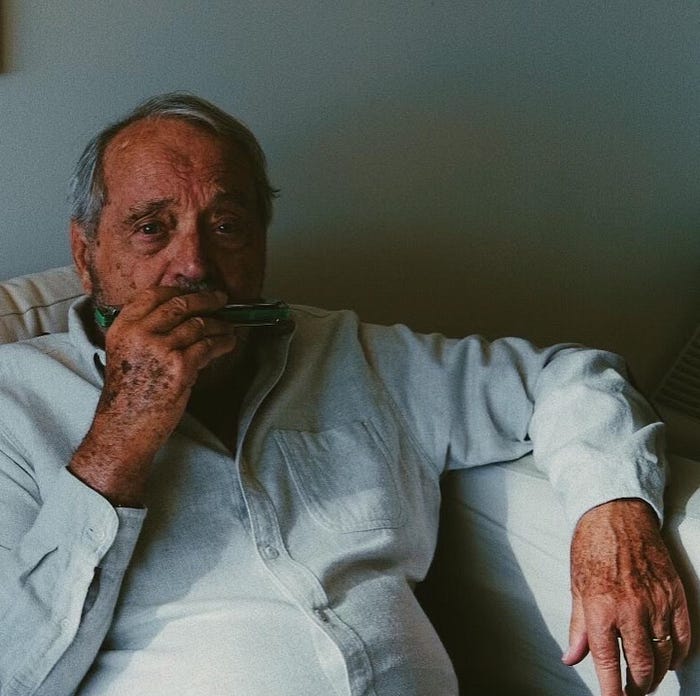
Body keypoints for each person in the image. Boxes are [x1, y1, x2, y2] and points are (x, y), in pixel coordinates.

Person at [0, 92, 690, 696]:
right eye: (152, 228)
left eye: (228, 226)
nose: (194, 265)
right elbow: (17, 673)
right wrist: (122, 433)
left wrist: (614, 515)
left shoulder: (354, 355)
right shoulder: (16, 403)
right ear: (86, 254)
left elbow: (571, 377)